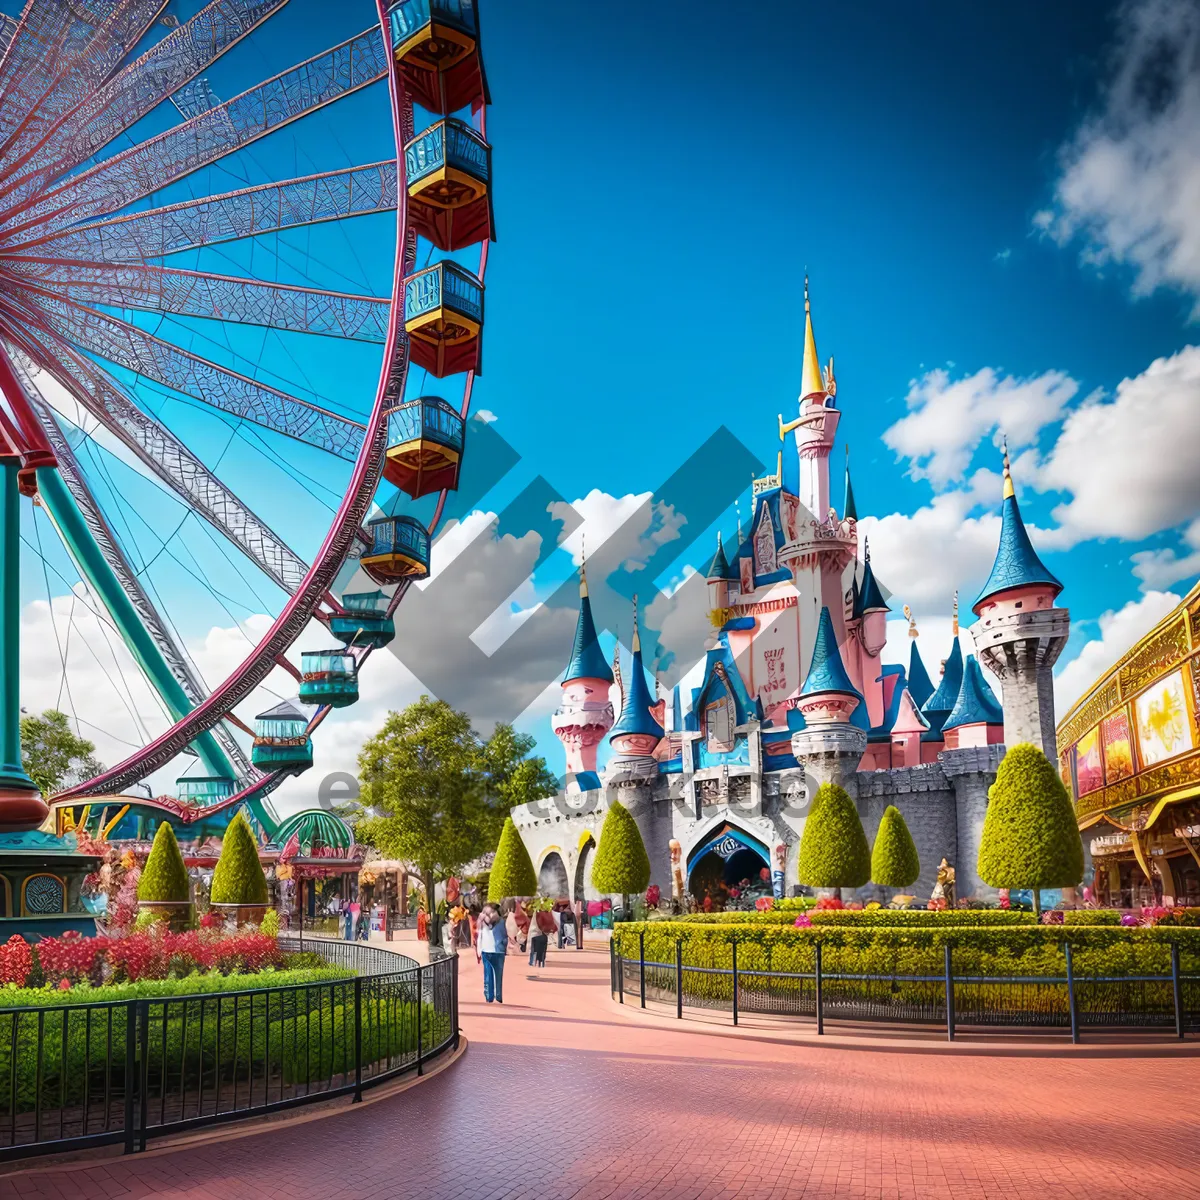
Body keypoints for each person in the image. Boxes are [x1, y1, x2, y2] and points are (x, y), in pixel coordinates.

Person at [476, 903, 508, 1003]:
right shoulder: (481, 922)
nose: (488, 915)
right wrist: (478, 949)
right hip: (486, 950)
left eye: (491, 912)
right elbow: (479, 935)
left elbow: (504, 936)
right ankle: (489, 996)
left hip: (498, 951)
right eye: (485, 912)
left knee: (498, 975)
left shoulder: (501, 921)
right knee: (488, 975)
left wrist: (504, 947)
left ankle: (498, 996)